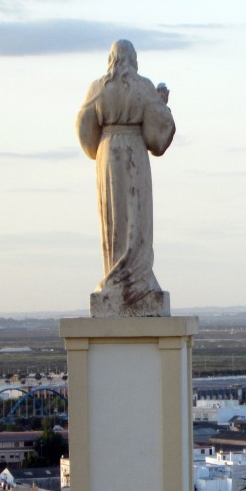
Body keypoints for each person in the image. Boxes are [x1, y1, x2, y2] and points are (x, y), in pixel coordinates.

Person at [76, 39, 175, 316]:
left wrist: (103, 140)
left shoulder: (98, 88)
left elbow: (84, 130)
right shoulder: (143, 87)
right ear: (133, 59)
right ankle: (137, 280)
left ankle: (115, 277)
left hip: (108, 155)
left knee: (115, 217)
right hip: (133, 152)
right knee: (136, 216)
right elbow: (157, 136)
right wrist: (162, 104)